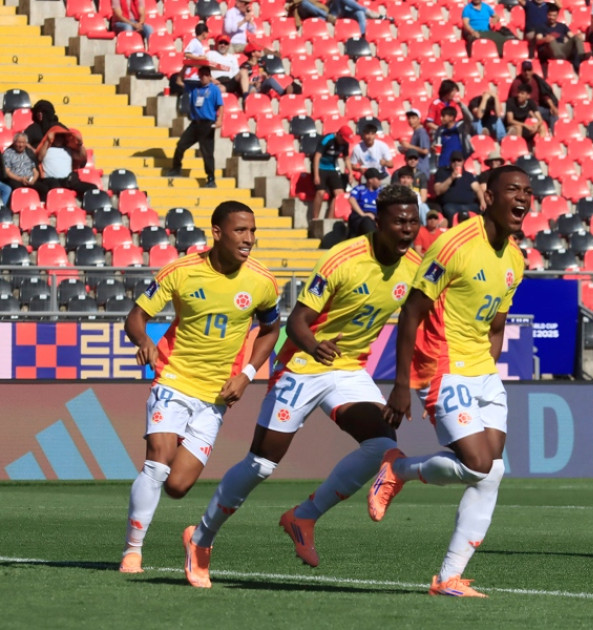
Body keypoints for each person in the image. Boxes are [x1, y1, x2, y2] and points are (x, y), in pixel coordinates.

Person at [181, 187, 421, 589]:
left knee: (381, 445)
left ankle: (304, 516)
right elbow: (295, 323)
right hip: (302, 365)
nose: (408, 229)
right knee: (261, 464)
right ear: (378, 223)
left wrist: (403, 384)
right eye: (399, 221)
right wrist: (313, 345)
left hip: (348, 369)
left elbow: (413, 322)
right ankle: (201, 538)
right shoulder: (342, 259)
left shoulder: (415, 266)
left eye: (413, 221)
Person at [368, 165, 530, 598]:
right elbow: (412, 311)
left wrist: (488, 369)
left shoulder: (515, 259)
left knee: (492, 470)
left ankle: (448, 578)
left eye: (528, 191)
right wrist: (402, 383)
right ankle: (398, 469)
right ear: (488, 197)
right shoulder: (454, 244)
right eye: (513, 190)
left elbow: (497, 325)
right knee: (478, 464)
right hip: (442, 363)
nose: (523, 198)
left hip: (481, 370)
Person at [118, 201, 281, 575]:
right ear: (218, 233)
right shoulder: (181, 271)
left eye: (252, 231)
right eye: (240, 231)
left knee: (177, 486)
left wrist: (248, 374)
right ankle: (132, 552)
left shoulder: (262, 281)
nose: (249, 239)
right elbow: (136, 317)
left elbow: (271, 330)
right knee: (158, 461)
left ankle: (188, 534)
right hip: (173, 378)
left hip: (216, 396)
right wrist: (143, 340)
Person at [167, 66, 223, 188]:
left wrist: (219, 120)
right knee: (181, 145)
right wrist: (185, 67)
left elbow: (220, 105)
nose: (203, 77)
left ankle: (211, 178)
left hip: (207, 124)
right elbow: (179, 81)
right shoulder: (194, 87)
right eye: (201, 74)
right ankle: (176, 168)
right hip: (195, 123)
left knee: (207, 152)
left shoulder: (214, 89)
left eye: (206, 75)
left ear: (210, 76)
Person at [33, 126, 97, 202]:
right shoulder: (46, 149)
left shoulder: (68, 149)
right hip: (51, 180)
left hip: (67, 180)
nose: (59, 139)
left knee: (92, 188)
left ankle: (87, 206)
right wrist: (47, 141)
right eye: (57, 136)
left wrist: (80, 144)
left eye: (61, 137)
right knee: (55, 188)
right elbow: (39, 158)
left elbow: (81, 157)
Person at [311, 125, 354, 221]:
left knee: (339, 194)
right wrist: (316, 175)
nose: (344, 141)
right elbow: (317, 157)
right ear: (339, 135)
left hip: (332, 168)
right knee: (320, 192)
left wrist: (350, 172)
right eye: (343, 139)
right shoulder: (327, 139)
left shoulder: (345, 143)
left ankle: (329, 220)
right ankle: (315, 218)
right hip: (320, 167)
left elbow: (346, 158)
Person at [433, 151, 485, 223]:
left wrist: (482, 201)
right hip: (451, 206)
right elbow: (437, 191)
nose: (456, 163)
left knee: (481, 210)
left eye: (459, 160)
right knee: (450, 210)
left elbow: (478, 189)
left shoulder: (468, 175)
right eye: (453, 160)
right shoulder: (442, 173)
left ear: (463, 162)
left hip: (469, 206)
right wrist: (451, 178)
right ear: (450, 162)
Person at [507, 60, 559, 132]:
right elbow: (516, 100)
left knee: (553, 114)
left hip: (537, 108)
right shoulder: (517, 83)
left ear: (532, 70)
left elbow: (545, 95)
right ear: (521, 71)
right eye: (525, 70)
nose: (527, 72)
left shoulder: (537, 80)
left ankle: (554, 134)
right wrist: (528, 110)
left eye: (529, 70)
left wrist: (552, 106)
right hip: (524, 110)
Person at [534, 4, 587, 72]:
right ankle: (560, 57)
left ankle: (581, 55)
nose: (552, 17)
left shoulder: (562, 26)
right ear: (547, 15)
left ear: (557, 16)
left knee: (577, 38)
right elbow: (538, 41)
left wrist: (578, 36)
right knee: (551, 39)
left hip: (562, 48)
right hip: (549, 49)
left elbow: (571, 36)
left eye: (554, 15)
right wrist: (545, 39)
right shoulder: (541, 27)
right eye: (550, 15)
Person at [348, 168, 383, 236]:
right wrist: (363, 214)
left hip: (376, 217)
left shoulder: (381, 191)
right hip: (360, 217)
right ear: (370, 180)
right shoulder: (359, 189)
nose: (380, 181)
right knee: (367, 221)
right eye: (378, 179)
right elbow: (352, 200)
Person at [397, 109, 431, 176]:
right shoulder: (416, 132)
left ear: (419, 119)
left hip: (421, 169)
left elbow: (425, 151)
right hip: (416, 168)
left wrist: (409, 146)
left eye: (413, 118)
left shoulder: (421, 132)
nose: (410, 120)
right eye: (409, 118)